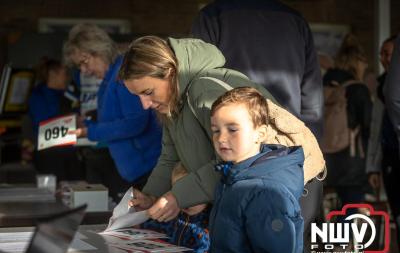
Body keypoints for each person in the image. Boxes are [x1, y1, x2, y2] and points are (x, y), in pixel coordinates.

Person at [119, 36, 325, 231]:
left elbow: (236, 157)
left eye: (148, 92)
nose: (145, 105)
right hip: (253, 190)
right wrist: (150, 196)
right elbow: (169, 158)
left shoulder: (205, 90)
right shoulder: (172, 104)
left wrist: (178, 196)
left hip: (288, 185)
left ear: (171, 73)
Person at [191, 0, 324, 250]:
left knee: (232, 244)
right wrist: (308, 159)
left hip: (234, 153)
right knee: (285, 243)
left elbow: (199, 90)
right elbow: (312, 100)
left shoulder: (212, 16)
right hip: (286, 151)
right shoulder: (296, 20)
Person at [206, 87, 304, 253]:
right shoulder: (232, 176)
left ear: (260, 134)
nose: (221, 138)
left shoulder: (265, 191)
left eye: (232, 129)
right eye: (216, 130)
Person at [63, 24, 162, 199]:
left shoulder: (123, 74)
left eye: (84, 62)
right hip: (137, 170)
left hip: (148, 170)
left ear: (98, 50)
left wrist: (89, 131)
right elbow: (113, 117)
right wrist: (86, 122)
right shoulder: (110, 78)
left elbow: (135, 122)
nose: (84, 71)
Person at [323, 34, 372, 214]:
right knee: (350, 210)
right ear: (357, 62)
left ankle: (329, 240)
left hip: (324, 157)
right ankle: (343, 242)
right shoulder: (358, 89)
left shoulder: (323, 86)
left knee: (325, 212)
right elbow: (369, 125)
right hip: (351, 161)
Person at [139, 162, 210, 253]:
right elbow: (146, 229)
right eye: (179, 193)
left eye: (194, 193)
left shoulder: (213, 221)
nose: (186, 199)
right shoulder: (171, 215)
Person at [28, 58, 83, 180]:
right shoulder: (38, 96)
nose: (67, 78)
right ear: (53, 74)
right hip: (49, 155)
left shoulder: (67, 94)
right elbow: (41, 125)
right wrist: (73, 120)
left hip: (69, 152)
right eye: (64, 74)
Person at [382, 34, 400, 246]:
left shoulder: (388, 88)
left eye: (389, 54)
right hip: (389, 156)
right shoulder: (381, 84)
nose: (384, 58)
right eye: (382, 54)